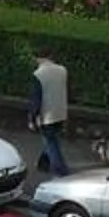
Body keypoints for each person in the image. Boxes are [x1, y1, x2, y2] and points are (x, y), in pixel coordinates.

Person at [26, 53, 70, 182]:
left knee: (51, 142)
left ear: (39, 58)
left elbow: (36, 99)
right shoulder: (62, 70)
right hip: (61, 112)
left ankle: (61, 171)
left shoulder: (38, 74)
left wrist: (32, 118)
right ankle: (43, 164)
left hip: (47, 115)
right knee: (52, 138)